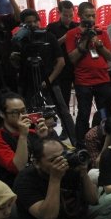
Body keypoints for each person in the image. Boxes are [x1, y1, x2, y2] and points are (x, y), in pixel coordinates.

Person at [10, 9, 76, 146]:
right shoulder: (20, 39)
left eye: (35, 21)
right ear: (22, 24)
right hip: (27, 82)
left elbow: (61, 62)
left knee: (63, 111)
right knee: (28, 114)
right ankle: (33, 144)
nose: (33, 24)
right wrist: (14, 59)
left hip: (50, 81)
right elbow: (17, 65)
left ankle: (75, 141)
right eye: (29, 23)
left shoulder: (49, 36)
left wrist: (50, 80)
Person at [65, 2, 111, 148]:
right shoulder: (72, 34)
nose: (91, 19)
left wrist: (99, 45)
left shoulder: (101, 33)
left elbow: (110, 56)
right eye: (87, 15)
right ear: (79, 16)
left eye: (93, 15)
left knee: (103, 113)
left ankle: (102, 141)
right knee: (84, 113)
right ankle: (81, 144)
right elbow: (72, 58)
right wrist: (85, 40)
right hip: (83, 80)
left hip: (102, 78)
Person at [0, 92, 49, 187]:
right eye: (15, 112)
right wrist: (22, 136)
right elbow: (19, 168)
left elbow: (48, 159)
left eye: (23, 111)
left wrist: (44, 138)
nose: (22, 116)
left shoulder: (33, 132)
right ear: (2, 114)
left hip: (39, 180)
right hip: (14, 187)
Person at [46, 0, 79, 115]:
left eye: (71, 15)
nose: (69, 18)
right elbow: (50, 48)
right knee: (63, 100)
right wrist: (66, 37)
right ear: (59, 12)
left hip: (76, 65)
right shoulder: (52, 27)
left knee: (82, 98)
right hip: (62, 68)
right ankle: (66, 126)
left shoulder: (77, 26)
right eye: (65, 15)